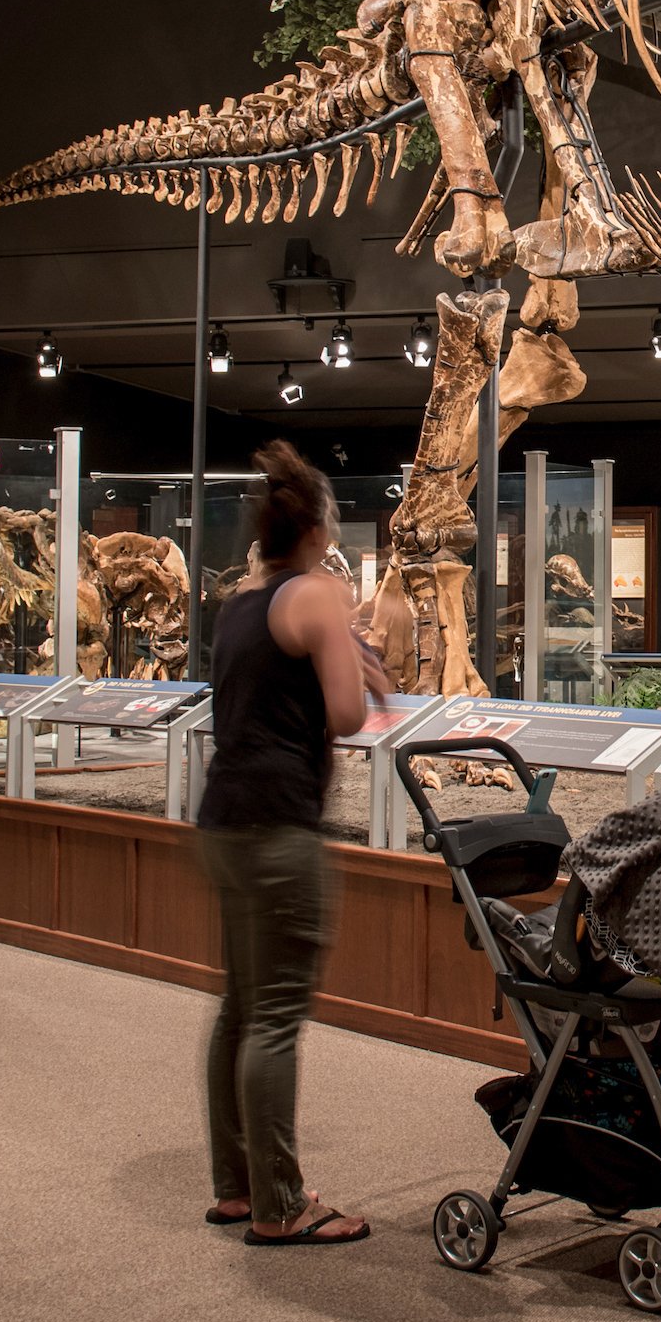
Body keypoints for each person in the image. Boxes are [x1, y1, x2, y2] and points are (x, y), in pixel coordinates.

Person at [199, 440, 390, 1246]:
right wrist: (353, 656)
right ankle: (283, 1202)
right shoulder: (319, 596)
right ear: (313, 527)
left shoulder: (242, 600)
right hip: (279, 826)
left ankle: (236, 1186)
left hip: (223, 820)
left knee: (241, 1006)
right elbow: (347, 716)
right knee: (276, 1014)